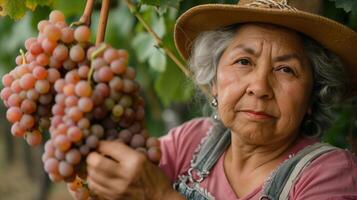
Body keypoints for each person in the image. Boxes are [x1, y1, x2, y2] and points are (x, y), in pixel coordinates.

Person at [80, 0, 357, 199]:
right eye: (243, 61)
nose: (259, 87)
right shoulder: (191, 141)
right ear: (213, 82)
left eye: (286, 69)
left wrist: (159, 195)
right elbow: (122, 178)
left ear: (313, 94)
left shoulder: (330, 174)